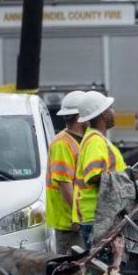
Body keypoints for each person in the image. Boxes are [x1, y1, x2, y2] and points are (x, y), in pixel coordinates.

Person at [72, 92, 138, 249]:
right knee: (102, 270)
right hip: (96, 217)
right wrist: (125, 176)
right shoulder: (95, 142)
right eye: (111, 108)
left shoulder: (99, 141)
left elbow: (121, 172)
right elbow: (94, 176)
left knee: (108, 269)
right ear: (104, 114)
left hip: (103, 216)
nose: (114, 112)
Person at [46, 91, 89, 253]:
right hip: (70, 223)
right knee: (71, 271)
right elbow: (65, 184)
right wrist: (78, 215)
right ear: (81, 115)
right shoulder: (62, 143)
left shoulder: (82, 140)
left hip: (78, 220)